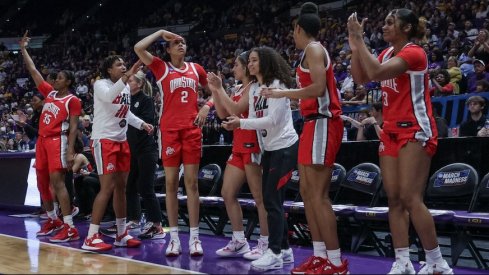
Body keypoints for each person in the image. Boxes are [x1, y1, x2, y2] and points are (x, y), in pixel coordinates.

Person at [348, 9, 453, 274]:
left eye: (390, 23)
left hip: (415, 129)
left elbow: (378, 73)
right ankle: (403, 260)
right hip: (391, 131)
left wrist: (361, 41)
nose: (384, 26)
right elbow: (362, 78)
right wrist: (354, 46)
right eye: (383, 22)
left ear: (406, 28)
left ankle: (436, 262)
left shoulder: (414, 52)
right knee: (393, 199)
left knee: (410, 198)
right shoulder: (384, 53)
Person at [261, 3, 348, 274]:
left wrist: (285, 94)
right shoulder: (308, 53)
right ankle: (320, 256)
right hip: (312, 124)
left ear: (299, 28)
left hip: (324, 123)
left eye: (293, 31)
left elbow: (319, 87)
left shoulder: (313, 48)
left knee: (319, 196)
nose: (293, 35)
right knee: (308, 194)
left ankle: (336, 262)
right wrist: (298, 99)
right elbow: (313, 92)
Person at [134, 29, 211, 256]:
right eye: (176, 42)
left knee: (192, 184)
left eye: (183, 42)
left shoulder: (196, 69)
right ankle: (174, 238)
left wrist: (207, 106)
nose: (180, 45)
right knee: (170, 185)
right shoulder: (161, 67)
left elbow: (216, 90)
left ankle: (195, 239)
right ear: (168, 49)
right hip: (169, 132)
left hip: (191, 131)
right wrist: (160, 33)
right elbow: (139, 48)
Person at [222, 46, 298, 272]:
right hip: (270, 149)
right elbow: (255, 119)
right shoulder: (255, 89)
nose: (251, 64)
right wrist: (237, 121)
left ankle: (273, 252)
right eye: (250, 61)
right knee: (272, 199)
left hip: (285, 146)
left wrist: (241, 123)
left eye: (254, 61)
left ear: (265, 62)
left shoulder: (277, 86)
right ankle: (284, 249)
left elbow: (272, 120)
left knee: (271, 199)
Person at [82, 55, 152, 251]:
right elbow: (110, 96)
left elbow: (125, 112)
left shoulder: (126, 87)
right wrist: (128, 76)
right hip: (104, 140)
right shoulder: (100, 85)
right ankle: (91, 236)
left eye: (124, 64)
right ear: (109, 70)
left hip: (121, 141)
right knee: (107, 187)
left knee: (122, 187)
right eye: (118, 64)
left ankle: (121, 234)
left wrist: (141, 124)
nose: (123, 66)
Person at [207, 51, 269, 260]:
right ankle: (240, 240)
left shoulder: (253, 87)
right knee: (227, 193)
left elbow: (235, 108)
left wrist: (220, 88)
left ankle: (265, 243)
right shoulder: (239, 88)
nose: (233, 69)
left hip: (253, 144)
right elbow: (224, 113)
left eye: (236, 65)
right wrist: (216, 91)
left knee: (260, 198)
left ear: (245, 69)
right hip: (238, 146)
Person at [20, 31, 81, 242]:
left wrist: (71, 150)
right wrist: (24, 49)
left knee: (58, 184)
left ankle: (70, 227)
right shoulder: (50, 94)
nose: (55, 80)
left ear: (69, 82)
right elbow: (33, 71)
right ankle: (53, 219)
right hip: (42, 142)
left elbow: (73, 128)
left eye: (60, 78)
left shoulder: (72, 100)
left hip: (59, 140)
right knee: (41, 183)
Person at [126, 70, 165, 240]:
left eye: (131, 80)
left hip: (146, 149)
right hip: (132, 149)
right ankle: (134, 219)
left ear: (139, 84)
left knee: (145, 187)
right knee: (130, 186)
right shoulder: (127, 99)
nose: (127, 83)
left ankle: (156, 225)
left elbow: (147, 122)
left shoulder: (146, 100)